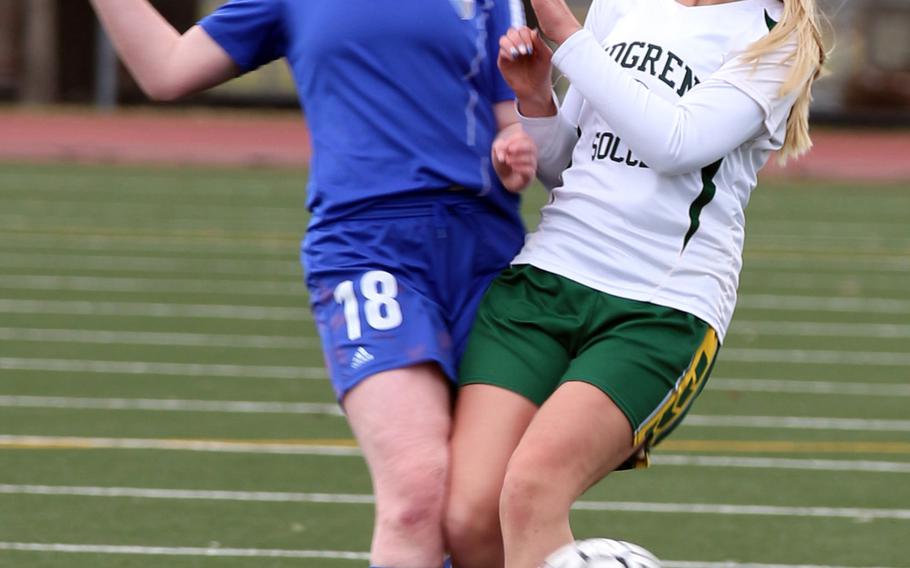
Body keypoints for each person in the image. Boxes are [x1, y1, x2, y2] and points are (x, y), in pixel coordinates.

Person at [88, 1, 538, 567]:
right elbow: (167, 68)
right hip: (366, 251)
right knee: (416, 494)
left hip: (488, 255)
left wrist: (518, 147)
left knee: (485, 509)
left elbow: (517, 116)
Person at [442, 0, 826, 566]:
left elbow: (675, 143)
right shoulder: (622, 4)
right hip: (544, 282)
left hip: (659, 311)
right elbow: (566, 163)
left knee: (530, 490)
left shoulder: (780, 37)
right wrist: (535, 99)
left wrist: (569, 38)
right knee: (470, 517)